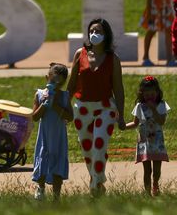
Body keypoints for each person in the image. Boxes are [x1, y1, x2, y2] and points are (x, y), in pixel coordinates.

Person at [66, 17, 127, 196]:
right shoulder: (80, 53)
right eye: (92, 31)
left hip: (105, 108)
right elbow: (71, 84)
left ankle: (94, 187)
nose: (95, 34)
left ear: (106, 35)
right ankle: (99, 180)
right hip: (81, 108)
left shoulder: (113, 59)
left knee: (99, 146)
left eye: (99, 31)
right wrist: (65, 106)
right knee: (88, 150)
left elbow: (118, 88)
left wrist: (121, 115)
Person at [31, 63, 72, 201]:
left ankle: (56, 196)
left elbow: (70, 117)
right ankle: (40, 188)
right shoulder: (40, 94)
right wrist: (45, 103)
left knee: (58, 163)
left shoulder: (65, 96)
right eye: (53, 80)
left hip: (59, 136)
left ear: (64, 82)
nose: (55, 84)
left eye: (59, 82)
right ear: (47, 78)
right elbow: (35, 117)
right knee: (43, 158)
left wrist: (55, 105)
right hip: (45, 135)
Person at [125, 75, 169, 196]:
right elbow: (135, 123)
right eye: (146, 93)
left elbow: (161, 121)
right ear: (142, 93)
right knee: (147, 170)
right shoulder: (140, 106)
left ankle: (156, 184)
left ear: (157, 92)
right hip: (144, 142)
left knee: (156, 170)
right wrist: (123, 125)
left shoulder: (161, 105)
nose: (149, 95)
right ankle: (147, 192)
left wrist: (154, 110)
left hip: (157, 142)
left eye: (152, 92)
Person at [139, 0, 173, 67]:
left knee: (169, 32)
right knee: (151, 32)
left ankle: (169, 59)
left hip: (166, 9)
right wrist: (149, 13)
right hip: (155, 10)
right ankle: (145, 58)